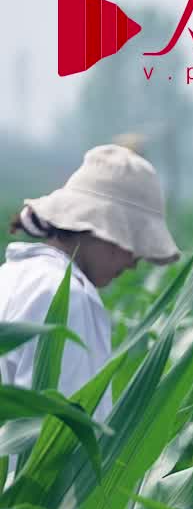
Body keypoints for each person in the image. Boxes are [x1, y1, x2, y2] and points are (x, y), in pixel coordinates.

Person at [2, 143, 181, 403]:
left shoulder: (11, 275)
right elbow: (62, 430)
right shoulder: (68, 297)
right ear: (99, 227)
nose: (133, 263)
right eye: (132, 243)